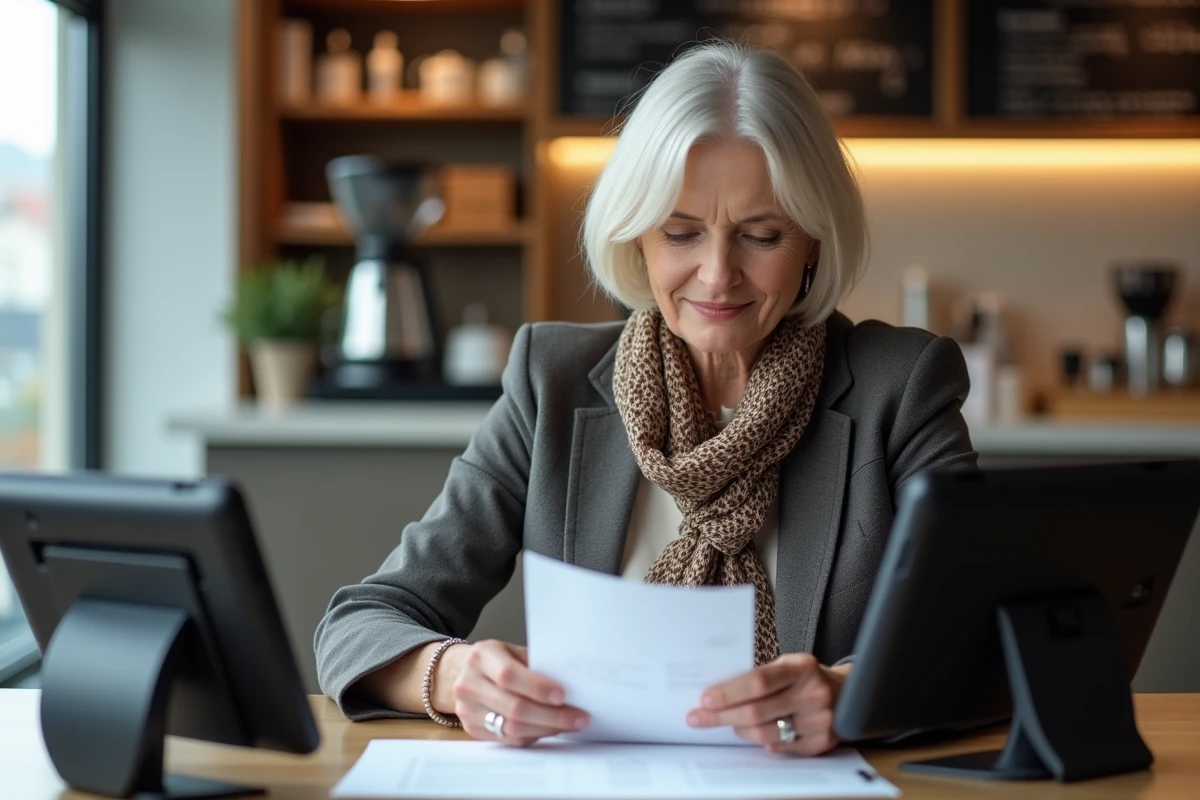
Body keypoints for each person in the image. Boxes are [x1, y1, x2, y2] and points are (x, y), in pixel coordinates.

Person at [315, 40, 978, 757]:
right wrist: (452, 675)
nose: (717, 274)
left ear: (814, 241)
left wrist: (852, 696)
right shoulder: (552, 381)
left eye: (762, 234)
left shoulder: (901, 386)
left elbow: (988, 634)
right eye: (681, 232)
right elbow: (361, 622)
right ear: (636, 238)